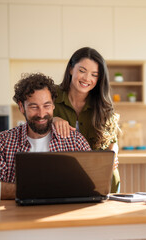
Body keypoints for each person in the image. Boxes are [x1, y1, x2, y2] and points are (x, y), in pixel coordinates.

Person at [0, 73, 91, 199]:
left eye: (46, 106)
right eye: (34, 107)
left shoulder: (75, 141)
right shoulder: (2, 142)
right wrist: (38, 189)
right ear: (21, 107)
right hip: (18, 216)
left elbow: (91, 184)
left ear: (53, 106)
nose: (41, 114)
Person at [53, 47, 121, 193]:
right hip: (64, 179)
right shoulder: (51, 96)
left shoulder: (103, 105)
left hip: (103, 181)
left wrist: (113, 154)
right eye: (82, 71)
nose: (87, 79)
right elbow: (34, 118)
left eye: (94, 75)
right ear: (71, 69)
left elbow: (113, 143)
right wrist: (52, 120)